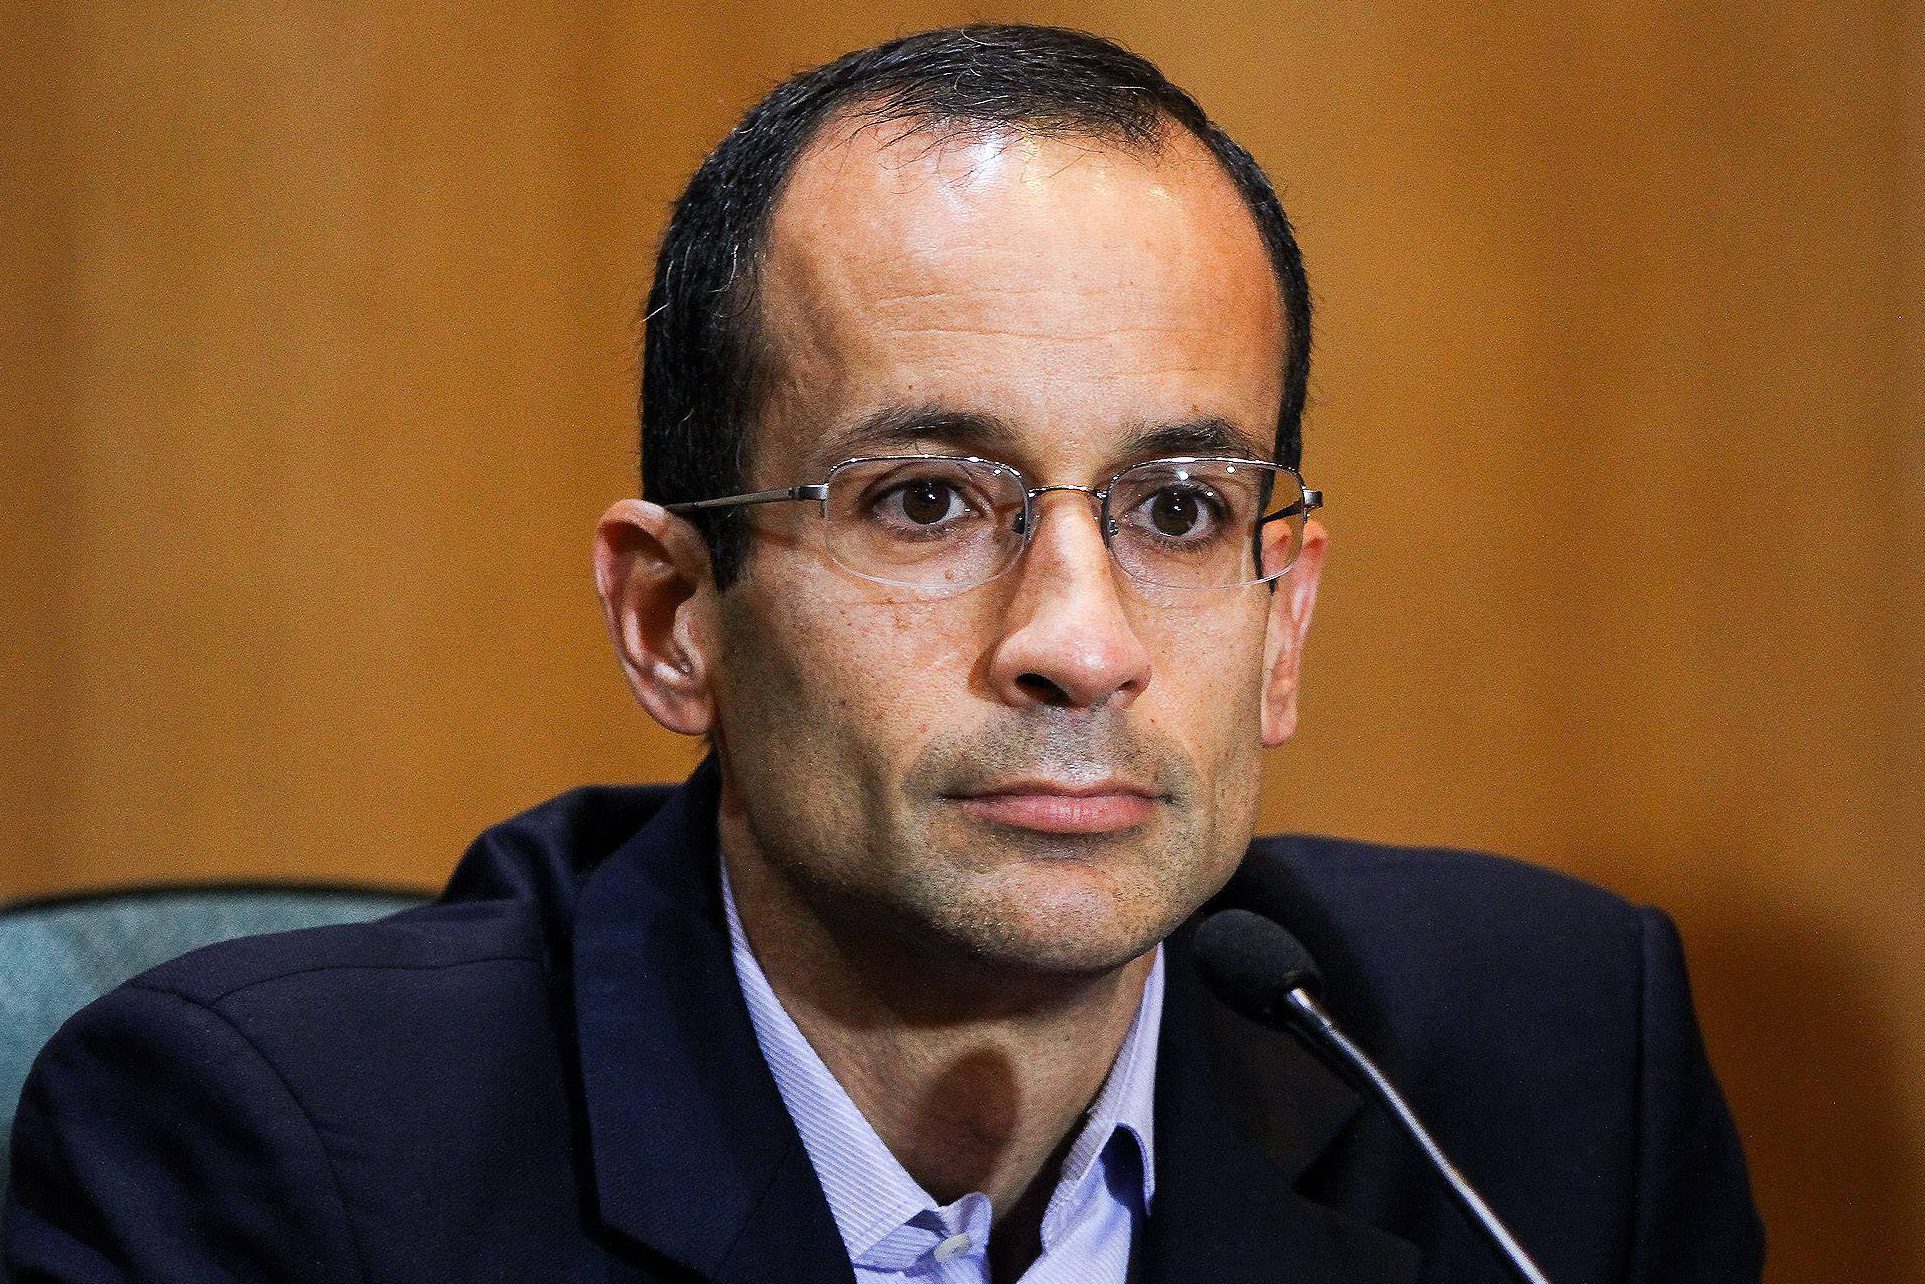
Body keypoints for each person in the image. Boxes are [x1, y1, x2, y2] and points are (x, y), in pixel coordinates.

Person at [3, 24, 1762, 1284]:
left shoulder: (1539, 1078)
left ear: (1281, 619)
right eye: (926, 502)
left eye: (1174, 510)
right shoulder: (283, 1160)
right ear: (671, 619)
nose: (1078, 645)